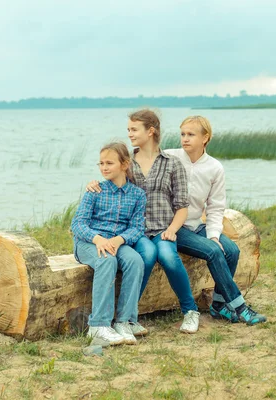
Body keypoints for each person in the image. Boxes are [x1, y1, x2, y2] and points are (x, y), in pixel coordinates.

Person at [89, 109, 201, 334]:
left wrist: (172, 229)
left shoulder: (172, 163)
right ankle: (128, 317)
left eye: (134, 129)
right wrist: (94, 184)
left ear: (150, 131)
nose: (129, 134)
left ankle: (190, 310)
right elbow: (110, 178)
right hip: (135, 230)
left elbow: (181, 206)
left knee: (168, 255)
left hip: (163, 229)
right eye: (128, 129)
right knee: (147, 255)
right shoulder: (127, 163)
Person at [167, 116, 267, 325]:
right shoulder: (169, 158)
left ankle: (219, 305)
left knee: (231, 250)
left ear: (205, 138)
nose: (185, 139)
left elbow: (215, 207)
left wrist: (213, 235)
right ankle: (240, 307)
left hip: (197, 224)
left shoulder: (214, 167)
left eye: (191, 134)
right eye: (183, 134)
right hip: (175, 228)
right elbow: (135, 161)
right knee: (213, 251)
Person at [71, 142, 147, 345]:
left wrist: (119, 239)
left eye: (109, 163)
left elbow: (137, 227)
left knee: (135, 261)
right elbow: (77, 224)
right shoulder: (95, 191)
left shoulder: (137, 195)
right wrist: (98, 239)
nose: (104, 167)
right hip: (89, 242)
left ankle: (124, 321)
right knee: (107, 260)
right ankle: (98, 326)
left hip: (116, 243)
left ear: (124, 164)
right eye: (101, 163)